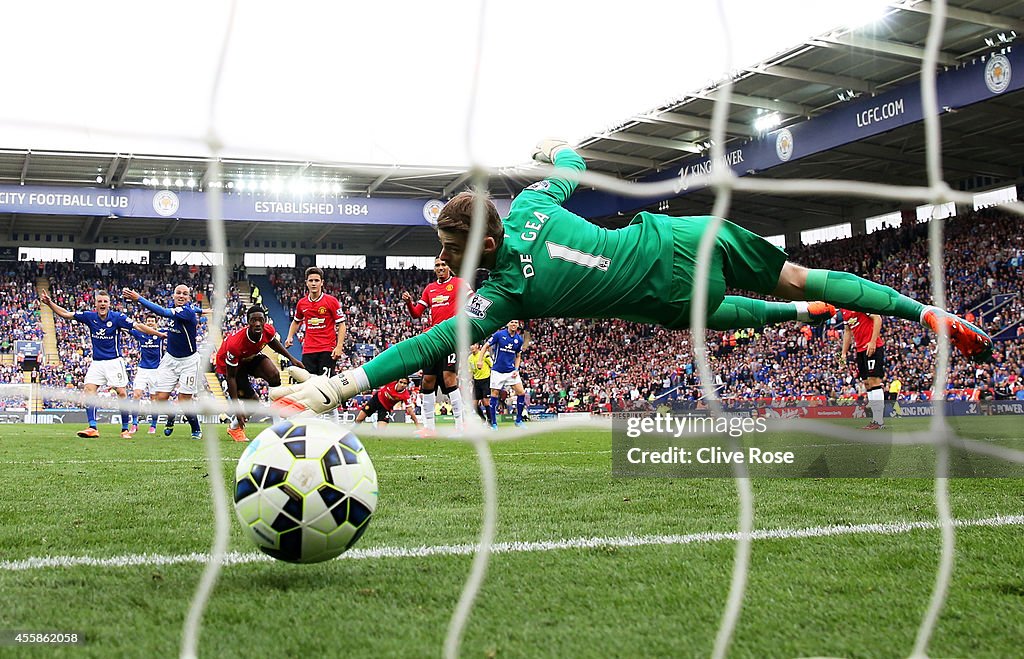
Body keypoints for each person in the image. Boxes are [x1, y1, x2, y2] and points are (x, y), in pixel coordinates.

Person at [270, 140, 993, 416]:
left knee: (712, 314)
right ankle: (916, 310)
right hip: (680, 239)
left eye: (449, 252)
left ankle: (801, 318)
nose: (444, 264)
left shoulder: (498, 295)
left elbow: (428, 348)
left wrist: (339, 383)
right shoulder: (528, 205)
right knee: (801, 277)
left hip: (666, 297)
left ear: (476, 247)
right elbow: (574, 167)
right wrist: (556, 150)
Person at [40, 289, 165, 438]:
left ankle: (125, 429)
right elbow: (66, 314)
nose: (102, 304)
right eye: (100, 301)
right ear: (96, 303)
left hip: (114, 362)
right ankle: (92, 427)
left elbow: (138, 326)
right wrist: (49, 303)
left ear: (109, 304)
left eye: (105, 301)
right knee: (88, 390)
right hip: (97, 363)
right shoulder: (89, 316)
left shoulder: (117, 317)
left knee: (122, 393)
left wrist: (159, 334)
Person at [122, 285, 204, 440]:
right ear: (173, 295)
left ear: (189, 297)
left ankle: (195, 428)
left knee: (184, 399)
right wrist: (203, 310)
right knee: (160, 398)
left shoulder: (186, 312)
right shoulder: (181, 308)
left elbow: (164, 312)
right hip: (170, 359)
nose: (181, 295)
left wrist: (139, 298)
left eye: (185, 294)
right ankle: (171, 415)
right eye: (178, 293)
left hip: (189, 362)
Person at [402, 257, 472, 435]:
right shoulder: (430, 289)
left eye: (443, 265)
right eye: (437, 266)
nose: (440, 268)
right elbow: (417, 313)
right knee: (427, 380)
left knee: (449, 377)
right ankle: (429, 428)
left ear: (449, 267)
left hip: (450, 338)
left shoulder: (459, 283)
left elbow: (473, 301)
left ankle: (460, 425)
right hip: (433, 339)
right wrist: (409, 302)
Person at [216, 305, 304, 442]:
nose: (257, 323)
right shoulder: (235, 345)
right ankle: (234, 427)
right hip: (233, 367)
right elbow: (231, 376)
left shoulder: (268, 330)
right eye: (253, 320)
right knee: (254, 404)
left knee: (274, 376)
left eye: (260, 320)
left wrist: (292, 358)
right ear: (247, 321)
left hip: (250, 357)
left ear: (265, 321)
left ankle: (277, 425)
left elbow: (272, 342)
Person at [285, 267, 346, 420]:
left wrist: (339, 347)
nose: (313, 283)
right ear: (306, 283)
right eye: (311, 280)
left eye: (316, 280)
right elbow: (296, 321)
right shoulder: (302, 303)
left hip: (327, 349)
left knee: (326, 387)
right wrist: (290, 337)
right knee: (309, 387)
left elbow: (342, 324)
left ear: (322, 283)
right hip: (308, 351)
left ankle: (334, 422)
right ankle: (311, 421)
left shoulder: (331, 301)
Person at [839, 308, 886, 429]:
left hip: (872, 347)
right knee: (867, 383)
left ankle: (878, 421)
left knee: (874, 381)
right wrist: (844, 354)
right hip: (860, 350)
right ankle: (875, 420)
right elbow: (848, 331)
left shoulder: (859, 303)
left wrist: (873, 341)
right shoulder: (843, 310)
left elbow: (877, 318)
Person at [485, 320, 527, 429]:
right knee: (494, 395)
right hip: (497, 371)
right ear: (507, 324)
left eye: (516, 323)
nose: (514, 324)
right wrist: (480, 360)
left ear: (518, 325)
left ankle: (518, 420)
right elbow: (486, 346)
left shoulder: (519, 339)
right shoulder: (499, 335)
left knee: (521, 393)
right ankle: (494, 423)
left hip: (511, 371)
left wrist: (516, 369)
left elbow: (518, 356)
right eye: (512, 322)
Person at [129, 315, 165, 434]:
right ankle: (134, 423)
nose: (150, 323)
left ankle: (153, 425)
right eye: (148, 321)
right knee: (136, 395)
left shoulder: (160, 334)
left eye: (152, 322)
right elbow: (127, 327)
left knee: (154, 399)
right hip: (142, 369)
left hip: (156, 370)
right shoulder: (140, 334)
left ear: (156, 323)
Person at [352, 376, 421, 429]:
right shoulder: (391, 381)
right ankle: (351, 430)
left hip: (385, 408)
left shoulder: (405, 395)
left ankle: (375, 426)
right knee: (359, 419)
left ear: (407, 385)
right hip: (376, 400)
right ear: (397, 382)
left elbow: (410, 410)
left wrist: (417, 424)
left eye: (405, 383)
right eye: (401, 382)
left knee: (381, 430)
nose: (402, 385)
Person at [469, 342, 493, 423]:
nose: (472, 347)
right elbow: (471, 371)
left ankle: (490, 421)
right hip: (476, 381)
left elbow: (492, 364)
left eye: (474, 345)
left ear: (478, 346)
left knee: (486, 402)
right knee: (474, 404)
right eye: (471, 345)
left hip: (485, 380)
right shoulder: (470, 358)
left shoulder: (484, 354)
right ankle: (483, 419)